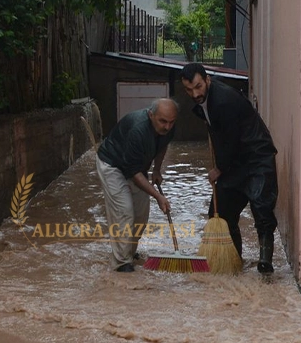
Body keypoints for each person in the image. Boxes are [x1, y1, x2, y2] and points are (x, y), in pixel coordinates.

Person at [180, 63, 279, 274]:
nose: (195, 94)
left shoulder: (224, 101)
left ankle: (265, 266)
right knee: (221, 213)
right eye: (189, 90)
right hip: (234, 163)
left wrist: (219, 169)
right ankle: (233, 262)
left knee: (262, 210)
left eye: (198, 87)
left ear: (207, 80)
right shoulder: (205, 102)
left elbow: (232, 140)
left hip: (256, 157)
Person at [95, 98, 178, 273]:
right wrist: (158, 196)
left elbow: (162, 145)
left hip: (137, 166)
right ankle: (121, 263)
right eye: (163, 121)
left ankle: (129, 252)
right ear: (151, 115)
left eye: (171, 122)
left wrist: (156, 170)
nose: (167, 127)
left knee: (141, 213)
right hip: (113, 165)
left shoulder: (168, 127)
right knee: (124, 211)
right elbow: (133, 173)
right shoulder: (137, 129)